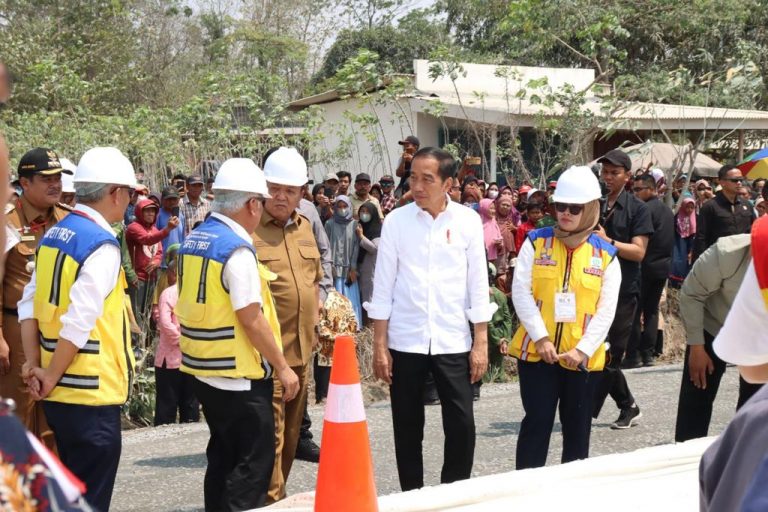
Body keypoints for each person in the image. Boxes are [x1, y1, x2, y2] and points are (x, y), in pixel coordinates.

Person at [367, 147, 497, 491]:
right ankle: (413, 496)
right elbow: (383, 287)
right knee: (407, 426)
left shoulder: (467, 221)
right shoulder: (396, 221)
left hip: (453, 339)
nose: (418, 186)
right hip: (406, 340)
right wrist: (380, 346)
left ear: (449, 183)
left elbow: (477, 286)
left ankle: (452, 493)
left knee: (461, 423)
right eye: (413, 178)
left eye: (428, 179)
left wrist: (480, 342)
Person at [175, 157, 299, 511]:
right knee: (252, 468)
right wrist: (283, 366)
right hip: (239, 375)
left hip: (203, 369)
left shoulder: (195, 238)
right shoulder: (236, 248)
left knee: (222, 458)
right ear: (252, 204)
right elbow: (251, 317)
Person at [18, 147, 138, 511]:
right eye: (129, 193)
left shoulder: (56, 234)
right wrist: (48, 375)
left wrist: (35, 367)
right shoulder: (101, 244)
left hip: (59, 394)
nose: (129, 200)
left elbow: (29, 303)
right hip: (90, 393)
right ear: (115, 193)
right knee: (90, 499)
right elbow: (79, 320)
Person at [509, 165, 620, 469]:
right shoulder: (536, 242)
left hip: (581, 360)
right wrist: (541, 338)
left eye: (575, 208)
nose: (566, 213)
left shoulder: (606, 255)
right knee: (537, 423)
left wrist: (582, 350)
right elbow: (521, 293)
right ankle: (526, 495)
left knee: (577, 431)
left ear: (591, 209)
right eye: (560, 206)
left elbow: (605, 311)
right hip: (538, 354)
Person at [250, 147, 322, 504]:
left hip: (302, 355)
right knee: (272, 439)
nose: (281, 197)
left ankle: (274, 497)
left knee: (292, 438)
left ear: (301, 194)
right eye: (274, 189)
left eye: (289, 191)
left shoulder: (305, 227)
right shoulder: (250, 232)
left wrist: (321, 308)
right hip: (267, 359)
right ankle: (272, 502)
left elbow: (315, 281)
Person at [0, 148, 71, 449]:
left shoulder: (69, 220)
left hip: (58, 331)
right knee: (19, 411)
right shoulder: (7, 222)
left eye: (57, 178)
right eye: (46, 179)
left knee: (56, 414)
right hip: (15, 332)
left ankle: (50, 490)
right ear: (24, 183)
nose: (55, 184)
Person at [699, 216, 768, 511]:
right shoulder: (721, 253)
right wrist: (695, 345)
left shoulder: (757, 423)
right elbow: (692, 295)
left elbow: (748, 361)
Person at [674, 233, 761, 442]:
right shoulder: (727, 252)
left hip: (757, 335)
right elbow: (691, 293)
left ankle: (745, 458)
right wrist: (696, 346)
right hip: (713, 326)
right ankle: (687, 456)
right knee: (697, 397)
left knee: (756, 405)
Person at [592, 148, 653, 429]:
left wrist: (609, 242)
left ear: (627, 176)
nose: (608, 177)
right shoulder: (596, 203)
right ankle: (628, 405)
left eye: (614, 173)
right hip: (592, 286)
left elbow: (639, 252)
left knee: (611, 353)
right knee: (595, 349)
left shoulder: (638, 209)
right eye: (605, 172)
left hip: (624, 290)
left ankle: (621, 406)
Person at [624, 174, 675, 368]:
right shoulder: (668, 211)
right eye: (633, 190)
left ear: (651, 189)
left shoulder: (643, 210)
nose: (635, 194)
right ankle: (648, 354)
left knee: (636, 311)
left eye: (638, 190)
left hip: (644, 267)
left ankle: (633, 355)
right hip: (662, 268)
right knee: (652, 311)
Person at [153, 244, 199, 426]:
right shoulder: (194, 293)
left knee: (167, 404)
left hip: (171, 359)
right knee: (189, 403)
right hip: (190, 357)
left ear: (173, 274)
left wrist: (180, 340)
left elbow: (165, 323)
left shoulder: (169, 292)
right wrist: (190, 341)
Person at [126, 199, 177, 329]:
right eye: (147, 211)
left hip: (152, 278)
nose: (150, 214)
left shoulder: (154, 229)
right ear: (139, 212)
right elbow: (147, 240)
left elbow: (159, 251)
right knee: (136, 312)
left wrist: (157, 261)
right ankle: (135, 343)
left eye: (153, 210)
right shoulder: (134, 227)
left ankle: (143, 342)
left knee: (147, 311)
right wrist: (167, 229)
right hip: (137, 278)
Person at [693, 165, 754, 261]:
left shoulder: (747, 205)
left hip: (743, 261)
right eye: (734, 180)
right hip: (719, 261)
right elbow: (701, 238)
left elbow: (753, 232)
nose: (739, 183)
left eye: (741, 180)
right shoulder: (710, 207)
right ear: (722, 182)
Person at [324, 195, 362, 326]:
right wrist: (329, 266)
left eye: (345, 206)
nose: (342, 209)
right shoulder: (329, 224)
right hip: (334, 270)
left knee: (350, 302)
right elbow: (326, 246)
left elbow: (356, 246)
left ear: (349, 207)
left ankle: (352, 328)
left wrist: (353, 267)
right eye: (339, 207)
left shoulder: (355, 225)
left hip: (348, 271)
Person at [355, 201, 381, 308]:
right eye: (362, 211)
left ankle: (370, 323)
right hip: (358, 267)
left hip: (370, 268)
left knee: (368, 297)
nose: (364, 214)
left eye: (367, 212)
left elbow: (374, 249)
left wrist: (361, 236)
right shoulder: (359, 226)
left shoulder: (378, 229)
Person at [669, 197, 697, 288]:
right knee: (676, 261)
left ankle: (681, 283)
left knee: (686, 262)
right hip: (677, 241)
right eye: (687, 207)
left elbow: (695, 231)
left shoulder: (695, 217)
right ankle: (672, 282)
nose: (689, 210)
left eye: (691, 207)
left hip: (690, 242)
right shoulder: (676, 217)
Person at [479, 198, 504, 268]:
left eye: (494, 208)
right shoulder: (478, 223)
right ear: (484, 209)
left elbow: (499, 238)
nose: (493, 211)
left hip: (492, 258)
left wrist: (499, 243)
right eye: (491, 208)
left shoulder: (494, 222)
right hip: (480, 258)